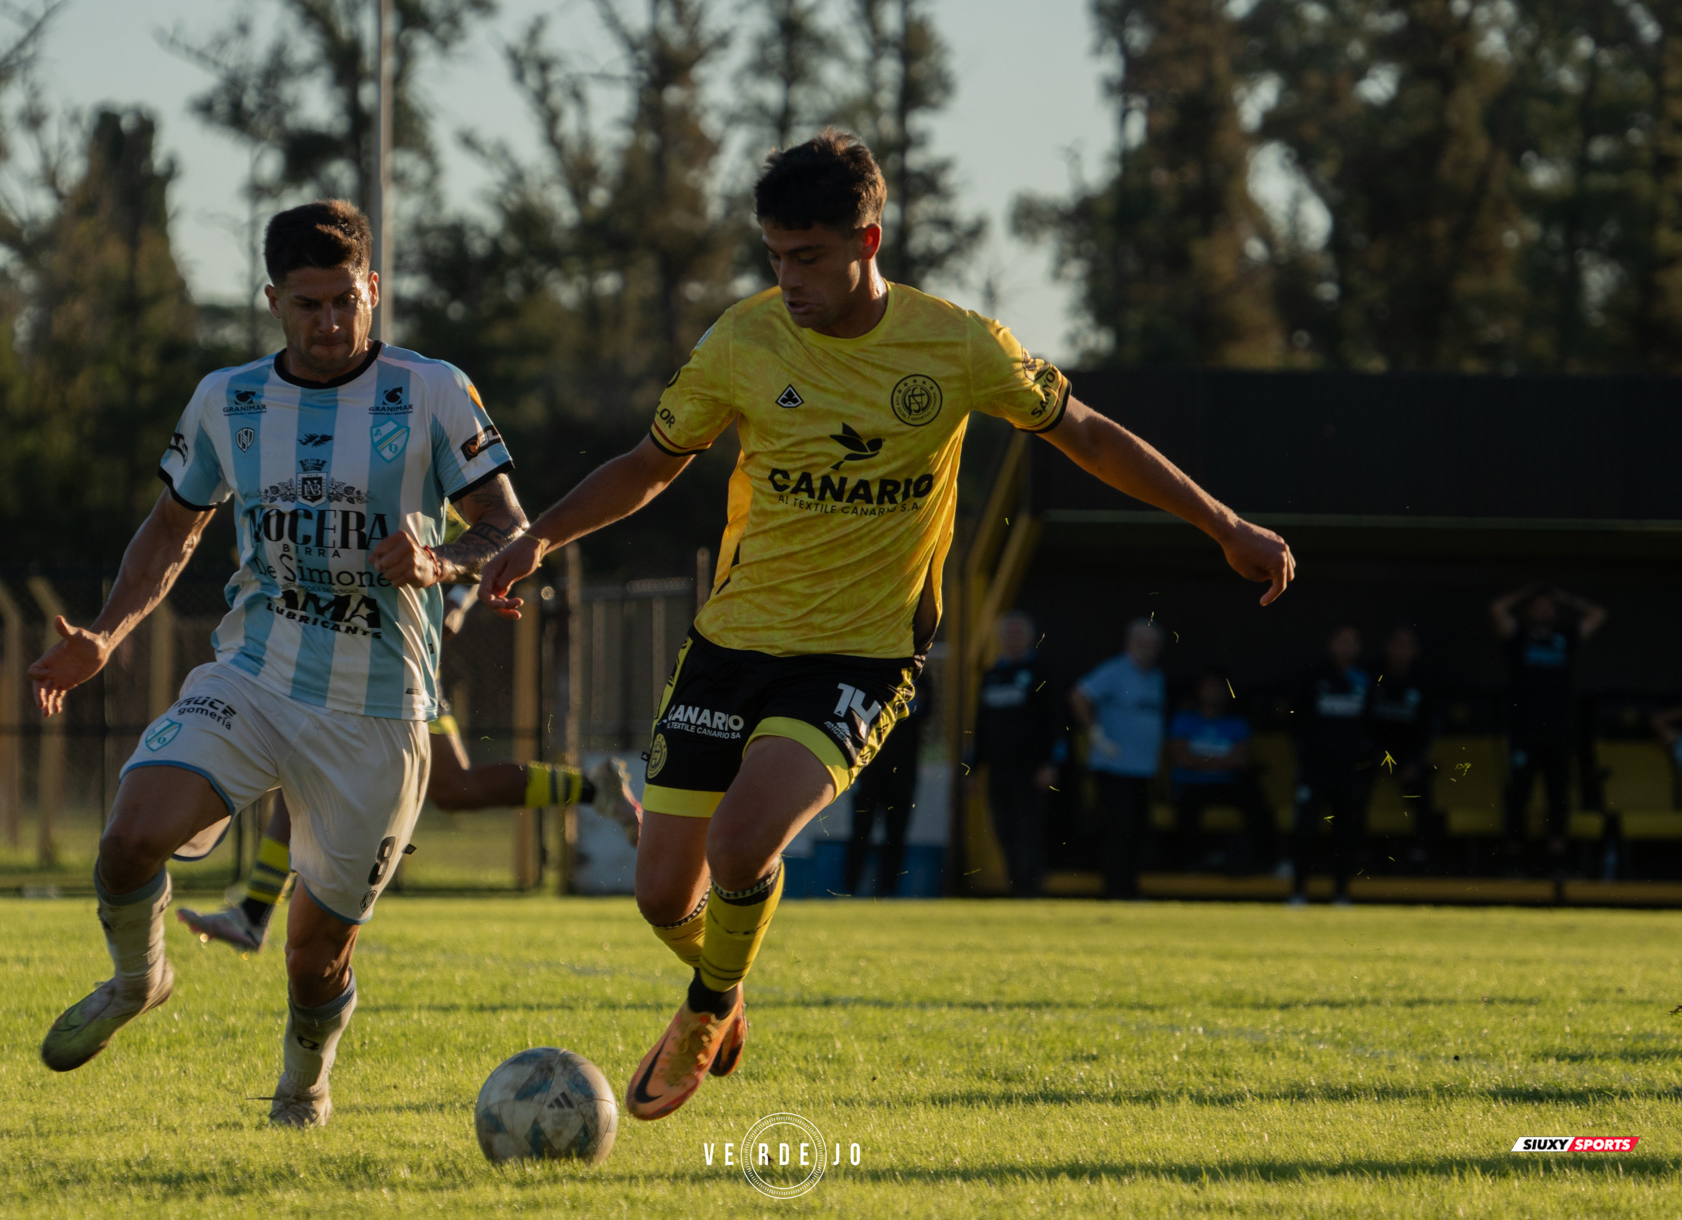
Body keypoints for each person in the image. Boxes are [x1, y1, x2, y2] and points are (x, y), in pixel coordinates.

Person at [476, 131, 1295, 1122]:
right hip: (731, 641)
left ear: (869, 237)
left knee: (742, 844)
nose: (788, 279)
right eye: (775, 256)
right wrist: (542, 537)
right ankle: (725, 980)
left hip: (859, 654)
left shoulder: (956, 346)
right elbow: (651, 461)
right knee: (661, 892)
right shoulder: (740, 341)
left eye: (808, 257)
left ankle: (706, 1000)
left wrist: (1222, 522)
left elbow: (1084, 433)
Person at [25, 200, 529, 1128]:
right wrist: (107, 632)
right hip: (253, 674)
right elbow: (171, 531)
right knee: (130, 833)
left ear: (373, 289)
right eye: (309, 305)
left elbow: (509, 525)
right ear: (272, 303)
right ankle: (140, 979)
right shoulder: (229, 398)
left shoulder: (432, 390)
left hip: (379, 709)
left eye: (347, 300)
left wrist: (441, 560)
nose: (331, 323)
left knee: (313, 951)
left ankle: (304, 1086)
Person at [176, 583, 644, 952]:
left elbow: (491, 533)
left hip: (397, 669)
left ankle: (254, 913)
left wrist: (459, 598)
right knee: (423, 784)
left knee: (451, 788)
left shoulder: (429, 469)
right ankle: (254, 913)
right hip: (347, 661)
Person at [1490, 583, 1606, 875]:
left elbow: (1598, 614)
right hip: (1524, 729)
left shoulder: (1564, 638)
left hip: (1559, 728)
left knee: (1558, 793)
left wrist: (1564, 596)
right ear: (1529, 611)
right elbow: (1497, 609)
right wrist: (1525, 592)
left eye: (1547, 606)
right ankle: (1514, 856)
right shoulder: (1518, 637)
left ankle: (1556, 858)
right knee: (1519, 792)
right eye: (1537, 606)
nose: (1543, 609)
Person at [968, 615, 1064, 898]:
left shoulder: (1041, 672)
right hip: (999, 769)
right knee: (1004, 831)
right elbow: (982, 725)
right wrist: (972, 769)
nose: (1013, 639)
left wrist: (1051, 763)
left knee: (1029, 831)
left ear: (1029, 637)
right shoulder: (992, 675)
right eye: (1008, 634)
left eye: (1018, 634)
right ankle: (1015, 889)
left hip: (1032, 770)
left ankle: (1031, 890)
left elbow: (1056, 722)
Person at [1073, 620, 1167, 899]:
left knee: (1137, 831)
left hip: (1143, 768)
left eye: (1152, 644)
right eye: (1142, 642)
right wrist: (1095, 734)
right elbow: (1078, 696)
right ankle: (1117, 891)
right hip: (1114, 767)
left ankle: (1130, 888)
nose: (1147, 648)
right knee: (1119, 830)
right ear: (1129, 643)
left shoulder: (1156, 676)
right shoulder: (1115, 670)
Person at [1289, 625, 1372, 905]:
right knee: (1306, 829)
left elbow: (1371, 724)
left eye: (1352, 641)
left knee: (1346, 832)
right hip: (1315, 768)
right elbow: (1297, 721)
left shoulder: (1366, 678)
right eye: (1341, 641)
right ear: (1330, 643)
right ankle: (1299, 891)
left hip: (1349, 770)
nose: (1346, 646)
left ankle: (1341, 893)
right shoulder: (1313, 676)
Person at [1167, 668, 1271, 874]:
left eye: (1218, 687)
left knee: (1257, 803)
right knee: (1186, 809)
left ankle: (1265, 863)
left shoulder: (1237, 723)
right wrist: (1223, 760)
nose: (1213, 692)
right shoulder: (1184, 719)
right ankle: (1187, 866)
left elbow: (1242, 759)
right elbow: (1181, 758)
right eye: (1209, 687)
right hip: (1192, 784)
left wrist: (1201, 761)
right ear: (1199, 691)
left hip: (1227, 785)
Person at [845, 669, 931, 897]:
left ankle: (888, 890)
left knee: (896, 833)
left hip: (903, 772)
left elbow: (925, 710)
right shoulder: (872, 666)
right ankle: (849, 888)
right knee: (861, 831)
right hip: (868, 769)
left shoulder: (918, 673)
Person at [1370, 625, 1440, 873]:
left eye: (1407, 645)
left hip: (1409, 758)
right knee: (1351, 784)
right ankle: (1360, 852)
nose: (1401, 650)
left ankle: (1420, 854)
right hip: (1374, 756)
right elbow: (1364, 723)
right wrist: (1377, 755)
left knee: (1424, 792)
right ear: (1387, 647)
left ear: (1415, 650)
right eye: (1396, 644)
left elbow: (1429, 728)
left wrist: (1414, 762)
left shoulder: (1423, 681)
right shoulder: (1373, 677)